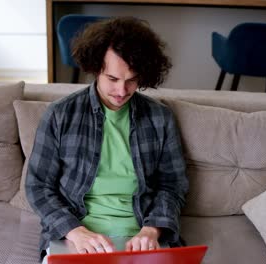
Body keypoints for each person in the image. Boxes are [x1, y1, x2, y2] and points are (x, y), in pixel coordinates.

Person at [26, 16, 189, 261]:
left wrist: (152, 229)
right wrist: (75, 231)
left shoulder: (160, 118)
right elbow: (37, 186)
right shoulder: (60, 115)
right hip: (77, 236)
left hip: (141, 236)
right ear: (95, 69)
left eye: (131, 80)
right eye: (112, 79)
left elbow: (173, 185)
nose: (122, 91)